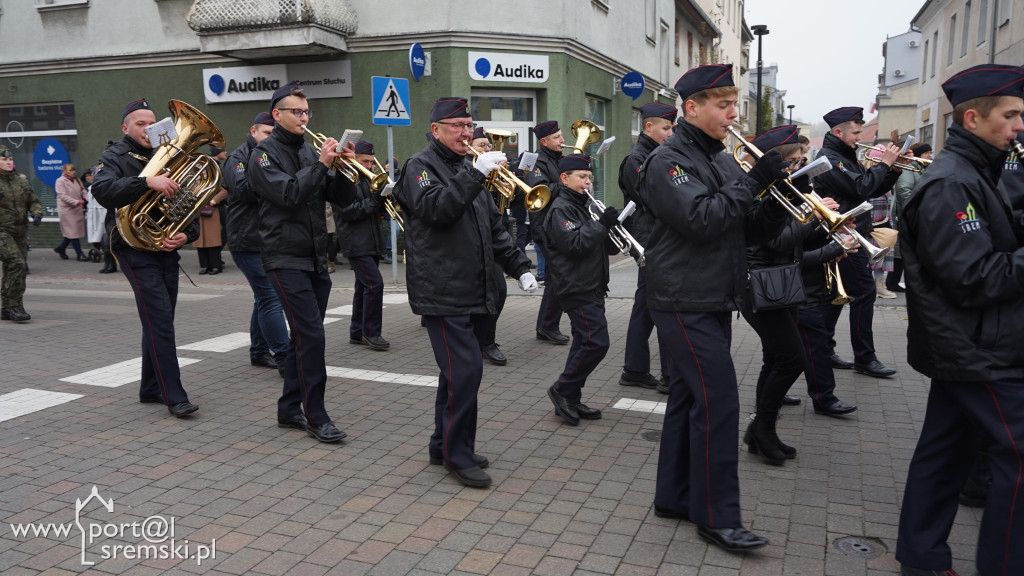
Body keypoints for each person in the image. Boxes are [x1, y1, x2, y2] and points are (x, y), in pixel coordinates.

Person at [638, 64, 789, 552]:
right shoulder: (668, 161)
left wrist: (774, 198)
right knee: (719, 402)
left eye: (733, 105)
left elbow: (743, 228)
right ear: (692, 108)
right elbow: (702, 220)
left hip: (711, 294)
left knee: (688, 397)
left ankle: (675, 496)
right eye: (722, 106)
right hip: (682, 296)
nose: (732, 115)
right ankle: (717, 516)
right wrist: (753, 182)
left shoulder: (721, 160)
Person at [895, 63, 1024, 576]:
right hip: (976, 346)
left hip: (971, 342)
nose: (1019, 126)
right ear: (973, 118)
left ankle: (923, 559)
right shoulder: (951, 184)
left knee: (944, 452)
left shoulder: (979, 172)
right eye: (1011, 115)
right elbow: (971, 277)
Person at [394, 96, 536, 488]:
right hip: (442, 288)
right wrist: (474, 174)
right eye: (456, 126)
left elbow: (493, 228)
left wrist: (520, 266)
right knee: (467, 372)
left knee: (455, 375)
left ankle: (443, 444)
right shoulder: (420, 166)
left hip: (473, 287)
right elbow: (437, 209)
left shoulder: (467, 168)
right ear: (436, 129)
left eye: (469, 125)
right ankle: (459, 456)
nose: (466, 132)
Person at [737, 125, 856, 465]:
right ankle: (761, 428)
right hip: (760, 284)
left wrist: (829, 227)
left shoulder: (784, 191)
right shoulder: (762, 192)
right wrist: (815, 221)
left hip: (783, 282)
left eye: (802, 161)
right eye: (794, 162)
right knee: (792, 358)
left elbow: (798, 242)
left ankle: (763, 430)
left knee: (776, 359)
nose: (798, 167)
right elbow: (775, 241)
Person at [247, 82, 355, 443]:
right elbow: (289, 194)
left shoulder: (309, 151)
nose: (304, 117)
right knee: (312, 336)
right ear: (277, 115)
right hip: (284, 256)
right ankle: (316, 414)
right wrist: (323, 163)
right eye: (296, 111)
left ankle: (289, 407)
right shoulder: (264, 155)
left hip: (314, 257)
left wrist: (341, 168)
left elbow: (339, 199)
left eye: (306, 112)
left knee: (303, 339)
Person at [91, 98, 200, 418]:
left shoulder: (166, 155)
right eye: (140, 123)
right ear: (125, 128)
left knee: (160, 320)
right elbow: (103, 189)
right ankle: (174, 395)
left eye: (151, 123)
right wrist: (146, 181)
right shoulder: (114, 156)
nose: (147, 128)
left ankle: (150, 387)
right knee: (161, 320)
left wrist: (187, 234)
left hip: (164, 248)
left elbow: (186, 202)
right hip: (132, 248)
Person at [813, 106, 901, 378]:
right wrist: (884, 164)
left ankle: (823, 350)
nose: (860, 137)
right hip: (844, 236)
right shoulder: (830, 159)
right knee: (864, 293)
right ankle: (865, 357)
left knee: (835, 298)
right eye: (855, 132)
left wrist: (893, 168)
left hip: (853, 235)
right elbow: (860, 188)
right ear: (838, 132)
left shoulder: (845, 156)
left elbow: (873, 188)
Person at [542, 154, 618, 425]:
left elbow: (601, 245)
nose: (588, 182)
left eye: (589, 177)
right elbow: (573, 245)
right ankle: (562, 389)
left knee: (584, 342)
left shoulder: (585, 205)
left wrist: (614, 228)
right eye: (582, 177)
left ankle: (571, 396)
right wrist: (601, 226)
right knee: (597, 342)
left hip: (591, 283)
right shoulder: (561, 208)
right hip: (576, 286)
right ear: (565, 178)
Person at [224, 111, 289, 374]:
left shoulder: (273, 156)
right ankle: (286, 357)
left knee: (262, 298)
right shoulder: (237, 159)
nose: (270, 138)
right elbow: (242, 189)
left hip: (266, 238)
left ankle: (259, 351)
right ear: (253, 132)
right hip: (247, 240)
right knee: (270, 297)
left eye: (274, 134)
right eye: (266, 133)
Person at [618, 102, 676, 393]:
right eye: (666, 128)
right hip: (650, 239)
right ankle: (664, 372)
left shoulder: (657, 154)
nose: (670, 133)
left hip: (656, 238)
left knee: (647, 306)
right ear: (648, 127)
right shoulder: (636, 159)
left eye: (672, 128)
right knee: (658, 304)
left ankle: (636, 368)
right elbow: (654, 198)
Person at [469, 126, 515, 366]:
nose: (487, 149)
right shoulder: (468, 169)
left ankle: (486, 341)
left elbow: (507, 202)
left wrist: (506, 181)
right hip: (472, 240)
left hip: (495, 234)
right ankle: (478, 341)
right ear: (471, 149)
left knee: (499, 291)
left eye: (488, 145)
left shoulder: (493, 170)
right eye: (482, 145)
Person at [338, 140, 389, 351]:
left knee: (363, 286)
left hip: (371, 239)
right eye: (365, 161)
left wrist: (385, 199)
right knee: (374, 284)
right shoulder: (343, 180)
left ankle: (357, 332)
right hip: (355, 240)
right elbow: (349, 211)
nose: (369, 166)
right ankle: (371, 332)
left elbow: (373, 209)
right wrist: (376, 200)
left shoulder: (368, 180)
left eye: (371, 162)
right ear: (353, 158)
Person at [526, 120, 570, 344]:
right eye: (557, 137)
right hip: (545, 227)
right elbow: (540, 191)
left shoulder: (560, 159)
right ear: (544, 141)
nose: (563, 141)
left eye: (561, 136)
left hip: (560, 224)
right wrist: (568, 183)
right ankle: (546, 326)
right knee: (556, 278)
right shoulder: (536, 162)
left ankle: (547, 325)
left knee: (559, 277)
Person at [0, 144, 43, 322]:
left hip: (20, 230)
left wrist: (37, 212)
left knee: (14, 268)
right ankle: (15, 306)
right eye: (4, 159)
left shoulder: (21, 180)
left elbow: (33, 200)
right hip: (2, 230)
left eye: (10, 159)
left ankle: (8, 307)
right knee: (16, 263)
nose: (9, 162)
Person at [889, 142, 931, 293]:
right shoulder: (910, 169)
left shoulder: (919, 168)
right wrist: (914, 211)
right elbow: (903, 191)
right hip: (906, 215)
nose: (929, 156)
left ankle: (894, 282)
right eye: (926, 153)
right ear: (919, 154)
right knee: (902, 250)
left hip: (910, 214)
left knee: (903, 250)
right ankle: (892, 282)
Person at [195, 146, 227, 275]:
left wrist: (213, 201)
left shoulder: (214, 179)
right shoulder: (195, 180)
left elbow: (224, 191)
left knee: (213, 240)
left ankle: (215, 265)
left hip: (211, 210)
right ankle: (205, 265)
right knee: (200, 240)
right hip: (198, 211)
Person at [54, 163, 89, 261]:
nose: (73, 172)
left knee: (71, 232)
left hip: (77, 208)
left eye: (74, 170)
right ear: (64, 171)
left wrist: (90, 199)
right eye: (70, 170)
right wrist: (76, 202)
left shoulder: (77, 180)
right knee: (73, 232)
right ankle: (80, 254)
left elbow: (83, 192)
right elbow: (62, 196)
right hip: (66, 209)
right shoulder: (60, 181)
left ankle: (61, 248)